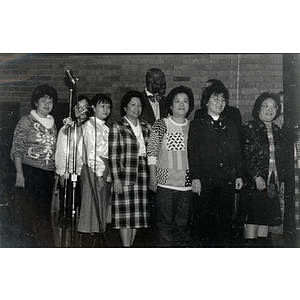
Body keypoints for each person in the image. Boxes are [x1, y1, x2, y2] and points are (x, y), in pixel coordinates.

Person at [188, 83, 243, 247]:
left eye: (222, 99)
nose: (220, 102)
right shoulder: (197, 124)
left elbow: (237, 152)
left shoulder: (231, 124)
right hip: (205, 181)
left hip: (226, 181)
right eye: (215, 98)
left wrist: (238, 174)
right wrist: (195, 178)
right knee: (204, 221)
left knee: (224, 221)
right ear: (206, 102)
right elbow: (193, 153)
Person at [10, 83, 58, 247]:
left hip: (47, 174)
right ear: (36, 102)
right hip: (29, 172)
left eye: (50, 101)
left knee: (44, 215)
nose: (47, 104)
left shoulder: (54, 125)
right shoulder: (26, 121)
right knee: (28, 216)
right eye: (43, 100)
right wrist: (19, 173)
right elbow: (17, 148)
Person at [148, 85, 194, 247]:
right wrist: (152, 176)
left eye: (185, 101)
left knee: (182, 226)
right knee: (164, 224)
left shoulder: (194, 127)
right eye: (177, 101)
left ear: (190, 105)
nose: (181, 105)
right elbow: (152, 152)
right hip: (164, 183)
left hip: (187, 185)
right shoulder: (161, 124)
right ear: (171, 105)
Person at [240, 92, 284, 247]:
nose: (270, 109)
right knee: (252, 221)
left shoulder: (278, 130)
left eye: (274, 107)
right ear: (258, 108)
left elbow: (280, 158)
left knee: (265, 221)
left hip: (272, 183)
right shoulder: (249, 127)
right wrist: (256, 176)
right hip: (254, 183)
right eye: (266, 106)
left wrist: (281, 180)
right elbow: (246, 155)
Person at [108, 90, 150, 247]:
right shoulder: (117, 126)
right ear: (125, 107)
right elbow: (113, 155)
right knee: (125, 216)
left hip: (143, 176)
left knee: (136, 216)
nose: (136, 108)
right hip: (125, 176)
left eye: (139, 105)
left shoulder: (146, 127)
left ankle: (129, 247)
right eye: (133, 105)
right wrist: (116, 179)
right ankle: (126, 247)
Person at [54, 95, 91, 246]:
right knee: (66, 213)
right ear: (74, 109)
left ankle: (79, 245)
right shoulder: (67, 128)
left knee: (82, 213)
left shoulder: (90, 128)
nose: (82, 110)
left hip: (85, 176)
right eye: (79, 107)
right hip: (69, 175)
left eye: (85, 107)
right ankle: (65, 244)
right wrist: (62, 172)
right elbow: (61, 151)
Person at [77, 94, 112, 246]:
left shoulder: (104, 127)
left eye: (108, 107)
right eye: (102, 106)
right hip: (93, 169)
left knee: (100, 210)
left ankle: (95, 243)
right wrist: (99, 174)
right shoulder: (89, 126)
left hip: (103, 169)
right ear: (93, 108)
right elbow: (90, 152)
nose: (106, 109)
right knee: (91, 209)